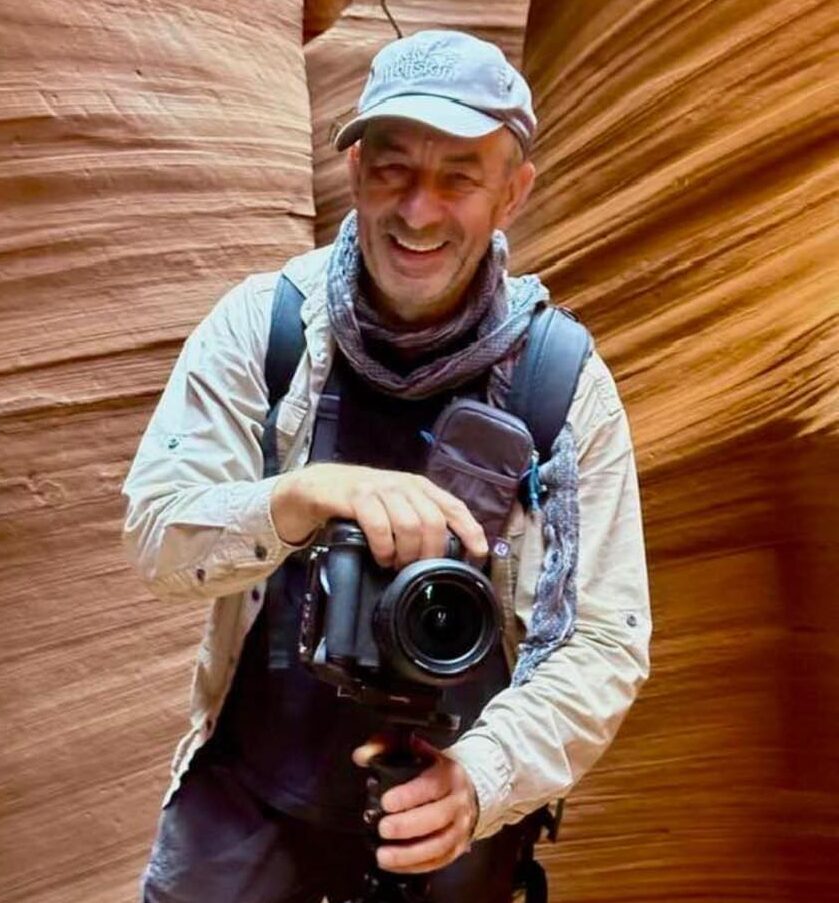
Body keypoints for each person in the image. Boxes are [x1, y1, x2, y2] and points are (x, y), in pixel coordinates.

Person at [122, 29, 651, 903]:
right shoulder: (266, 331)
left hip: (452, 820)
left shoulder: (560, 383)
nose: (417, 211)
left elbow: (603, 639)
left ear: (512, 193)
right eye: (394, 169)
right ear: (355, 170)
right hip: (248, 807)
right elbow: (156, 533)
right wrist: (296, 498)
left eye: (459, 178)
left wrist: (483, 777)